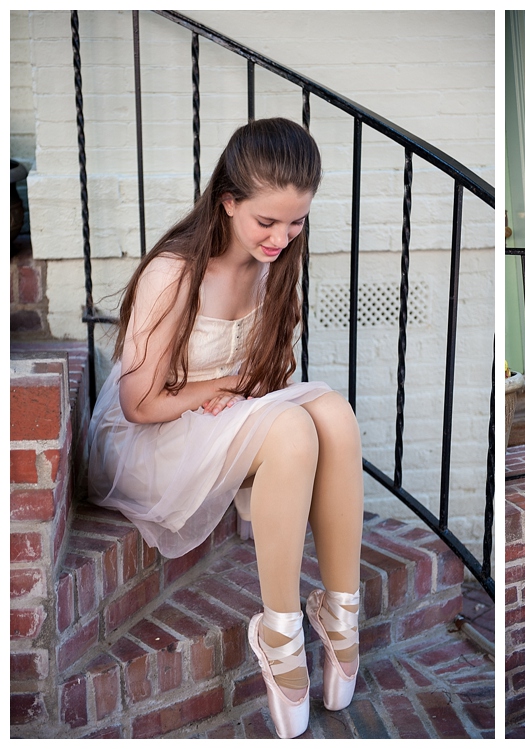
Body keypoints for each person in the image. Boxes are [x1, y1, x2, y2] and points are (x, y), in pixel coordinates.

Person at [87, 117, 364, 738]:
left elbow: (266, 373)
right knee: (292, 429)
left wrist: (240, 396)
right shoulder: (175, 272)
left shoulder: (274, 266)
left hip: (217, 417)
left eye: (296, 222)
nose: (281, 237)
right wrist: (218, 391)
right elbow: (139, 404)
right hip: (149, 436)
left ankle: (342, 616)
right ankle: (281, 631)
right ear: (229, 202)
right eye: (266, 222)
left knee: (333, 415)